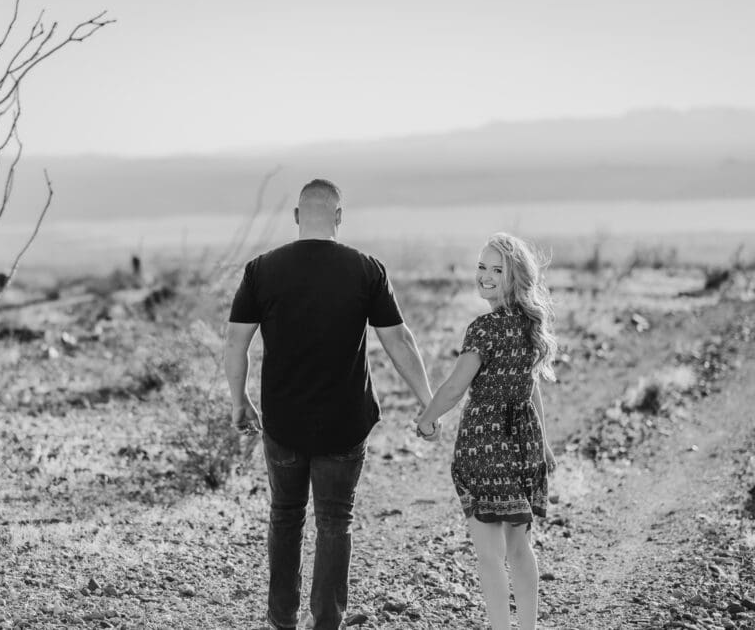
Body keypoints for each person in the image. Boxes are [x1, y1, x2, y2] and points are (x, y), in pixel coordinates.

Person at [224, 178, 435, 630]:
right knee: (335, 521)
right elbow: (398, 340)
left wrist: (239, 400)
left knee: (285, 516)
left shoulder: (262, 269)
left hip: (283, 422)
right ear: (339, 217)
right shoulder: (366, 269)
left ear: (297, 217)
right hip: (344, 422)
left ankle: (282, 619)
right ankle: (326, 622)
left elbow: (235, 343)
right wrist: (428, 402)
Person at [416, 232, 558, 630]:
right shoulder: (531, 324)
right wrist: (542, 443)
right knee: (519, 546)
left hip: (487, 443)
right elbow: (531, 390)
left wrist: (427, 418)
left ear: (516, 276)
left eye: (498, 269)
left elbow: (455, 387)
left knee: (488, 552)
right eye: (482, 267)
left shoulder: (483, 328)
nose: (486, 276)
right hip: (523, 441)